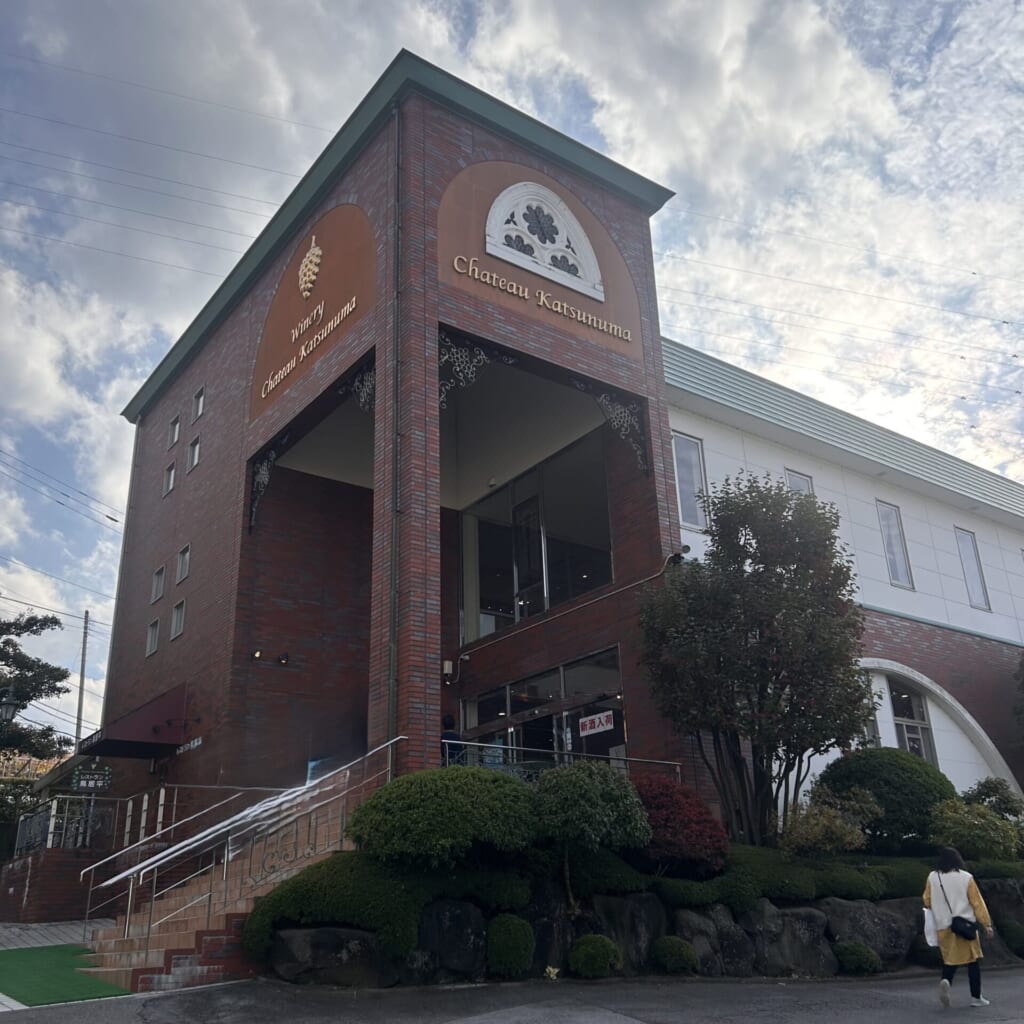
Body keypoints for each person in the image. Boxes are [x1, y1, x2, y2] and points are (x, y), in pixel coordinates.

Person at [923, 846, 994, 1008]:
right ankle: (976, 997)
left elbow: (927, 900)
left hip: (943, 925)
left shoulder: (933, 877)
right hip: (965, 925)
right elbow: (977, 902)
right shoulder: (966, 878)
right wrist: (986, 924)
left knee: (950, 959)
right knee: (973, 961)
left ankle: (946, 980)